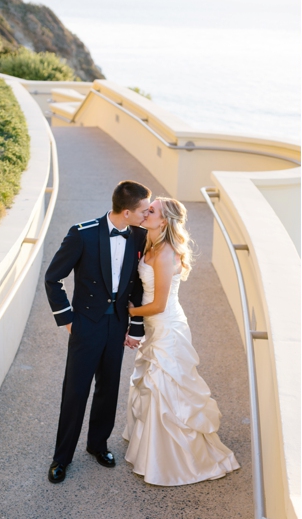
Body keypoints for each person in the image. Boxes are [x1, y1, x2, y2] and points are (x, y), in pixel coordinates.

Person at [122, 197, 239, 486]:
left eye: (152, 210)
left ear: (164, 221)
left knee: (164, 386)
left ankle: (176, 462)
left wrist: (126, 312)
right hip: (154, 326)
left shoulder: (164, 253)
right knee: (153, 383)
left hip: (166, 326)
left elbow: (159, 305)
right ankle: (153, 453)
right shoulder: (149, 243)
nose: (145, 212)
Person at [45, 180, 151, 483]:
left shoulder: (140, 236)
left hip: (116, 324)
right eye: (144, 210)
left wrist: (135, 326)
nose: (147, 214)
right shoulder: (83, 233)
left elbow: (138, 285)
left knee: (108, 389)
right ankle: (61, 457)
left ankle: (97, 444)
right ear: (128, 211)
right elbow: (53, 278)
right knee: (75, 391)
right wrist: (67, 319)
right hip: (86, 325)